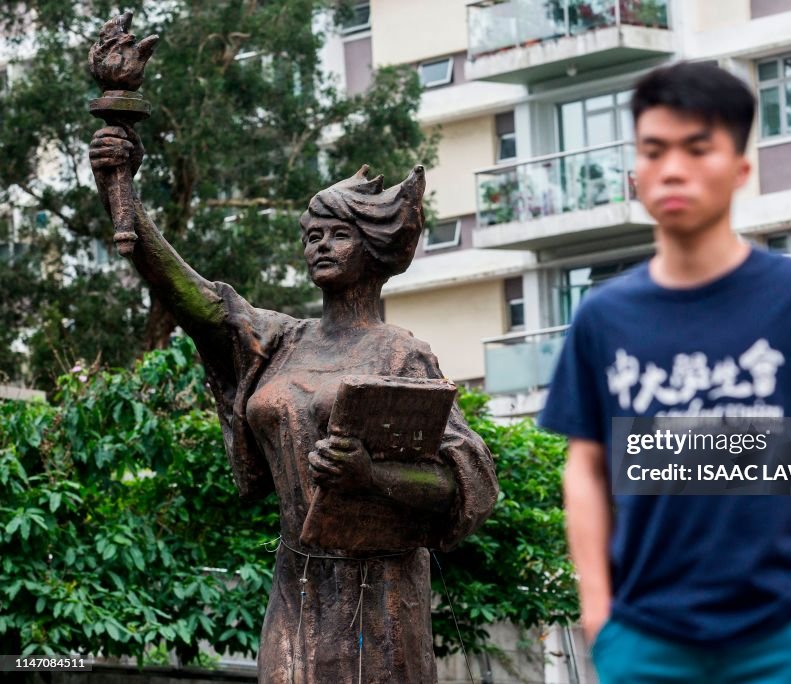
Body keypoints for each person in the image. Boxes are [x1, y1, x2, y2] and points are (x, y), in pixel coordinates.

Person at [89, 125, 498, 683]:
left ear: (374, 245)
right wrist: (120, 186)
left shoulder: (400, 354)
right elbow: (188, 294)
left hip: (380, 597)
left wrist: (371, 476)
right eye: (311, 236)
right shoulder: (278, 341)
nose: (319, 247)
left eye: (336, 235)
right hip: (298, 582)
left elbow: (464, 485)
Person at [538, 61, 791, 683]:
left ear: (740, 168)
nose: (673, 168)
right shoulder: (604, 317)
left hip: (782, 634)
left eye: (698, 148)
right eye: (654, 150)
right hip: (642, 641)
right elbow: (584, 466)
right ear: (635, 172)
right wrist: (598, 615)